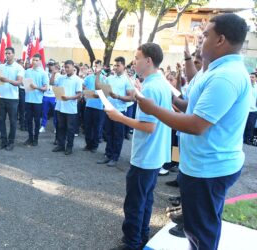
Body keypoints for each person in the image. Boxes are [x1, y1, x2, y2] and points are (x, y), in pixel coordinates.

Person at [136, 14, 250, 249]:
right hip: (203, 166)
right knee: (203, 225)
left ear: (220, 40)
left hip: (209, 169)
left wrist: (153, 109)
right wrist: (174, 101)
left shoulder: (225, 77)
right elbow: (194, 106)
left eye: (206, 34)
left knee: (200, 232)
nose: (201, 39)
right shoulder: (214, 70)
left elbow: (196, 125)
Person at [106, 43, 172, 249]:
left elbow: (148, 126)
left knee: (135, 202)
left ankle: (132, 242)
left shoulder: (151, 87)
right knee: (145, 198)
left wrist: (119, 117)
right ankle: (142, 235)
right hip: (155, 154)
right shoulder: (159, 82)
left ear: (148, 61)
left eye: (137, 57)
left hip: (146, 155)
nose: (134, 62)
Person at [96, 57, 134, 167]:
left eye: (118, 65)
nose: (115, 67)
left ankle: (115, 157)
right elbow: (100, 89)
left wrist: (118, 96)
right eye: (114, 65)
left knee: (118, 135)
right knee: (108, 133)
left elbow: (131, 98)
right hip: (109, 109)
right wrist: (98, 75)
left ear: (123, 66)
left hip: (120, 111)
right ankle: (108, 154)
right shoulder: (110, 78)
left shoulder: (127, 79)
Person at [0, 47, 25, 151]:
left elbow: (18, 82)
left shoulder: (19, 68)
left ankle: (11, 142)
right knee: (1, 120)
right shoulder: (1, 67)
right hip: (0, 96)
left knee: (12, 121)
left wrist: (7, 80)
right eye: (6, 53)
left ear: (13, 54)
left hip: (12, 99)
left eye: (9, 53)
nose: (7, 55)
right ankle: (3, 141)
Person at [52, 60, 82, 155]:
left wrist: (69, 97)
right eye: (65, 67)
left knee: (70, 128)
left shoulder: (77, 80)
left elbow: (79, 95)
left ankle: (69, 147)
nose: (66, 69)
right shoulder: (61, 78)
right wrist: (53, 74)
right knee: (60, 127)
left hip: (70, 108)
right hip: (60, 106)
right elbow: (52, 83)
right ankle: (61, 145)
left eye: (68, 67)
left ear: (73, 67)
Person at [23, 54, 48, 146]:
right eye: (33, 60)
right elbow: (24, 83)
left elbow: (46, 88)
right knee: (28, 120)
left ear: (40, 61)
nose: (35, 62)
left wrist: (36, 87)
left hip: (38, 101)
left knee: (37, 120)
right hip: (28, 99)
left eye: (37, 60)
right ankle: (30, 137)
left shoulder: (43, 73)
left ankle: (36, 139)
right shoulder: (27, 71)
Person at [83, 59, 104, 152]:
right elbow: (83, 86)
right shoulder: (88, 77)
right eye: (94, 66)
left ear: (101, 67)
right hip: (89, 104)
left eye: (98, 66)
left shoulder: (104, 78)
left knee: (97, 127)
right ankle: (88, 144)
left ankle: (95, 145)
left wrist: (98, 94)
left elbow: (105, 91)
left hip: (99, 106)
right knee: (87, 126)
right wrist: (87, 90)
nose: (96, 68)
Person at [39, 59, 59, 134]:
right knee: (44, 112)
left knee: (55, 113)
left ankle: (56, 127)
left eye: (52, 65)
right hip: (46, 95)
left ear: (55, 66)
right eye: (49, 65)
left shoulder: (58, 74)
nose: (51, 67)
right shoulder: (45, 73)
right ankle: (43, 126)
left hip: (54, 96)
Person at [244, 72, 257, 145]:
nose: (251, 78)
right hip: (245, 109)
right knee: (243, 124)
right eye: (250, 77)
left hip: (253, 110)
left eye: (252, 77)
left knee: (250, 126)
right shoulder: (246, 86)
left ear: (256, 78)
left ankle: (247, 139)